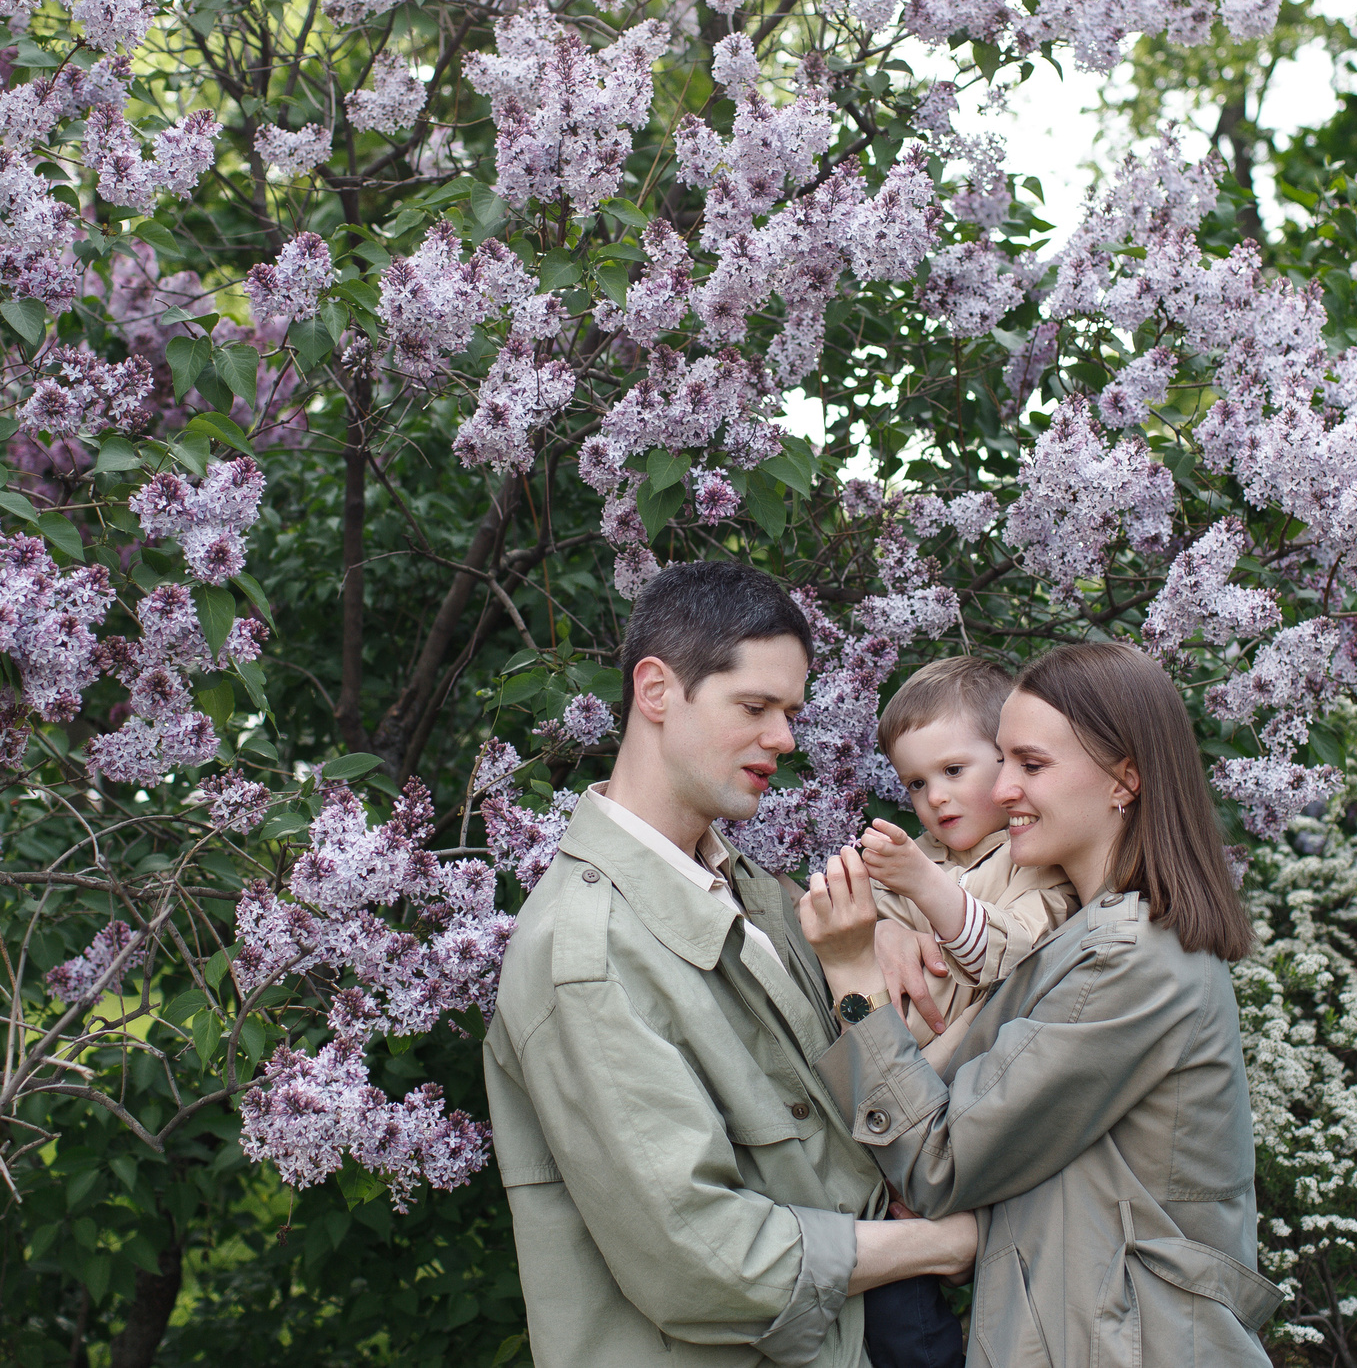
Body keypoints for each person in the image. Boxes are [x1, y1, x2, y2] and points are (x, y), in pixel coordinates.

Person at [483, 560, 979, 1368]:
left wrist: (883, 930)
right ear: (655, 691)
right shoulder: (585, 954)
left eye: (789, 711)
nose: (785, 739)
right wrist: (936, 1244)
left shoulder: (748, 891)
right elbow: (707, 1258)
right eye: (754, 706)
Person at [796, 641, 1282, 1367]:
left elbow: (941, 1163)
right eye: (1003, 759)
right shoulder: (1082, 940)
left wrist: (855, 980)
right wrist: (893, 926)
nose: (1004, 788)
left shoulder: (1130, 963)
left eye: (1032, 763)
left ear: (1125, 779)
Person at [853, 655, 1079, 1368]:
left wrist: (925, 888)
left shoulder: (1034, 863)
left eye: (954, 770)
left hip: (955, 1124)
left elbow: (1001, 954)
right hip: (878, 1122)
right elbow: (833, 941)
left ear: (1008, 763)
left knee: (936, 1327)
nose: (935, 798)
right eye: (916, 782)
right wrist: (882, 926)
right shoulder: (917, 857)